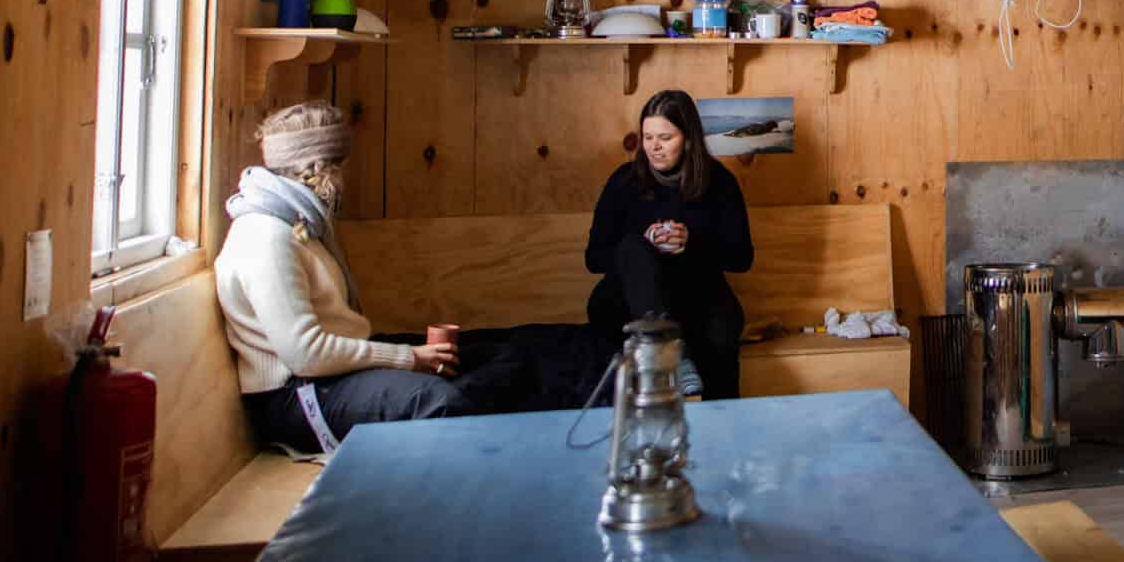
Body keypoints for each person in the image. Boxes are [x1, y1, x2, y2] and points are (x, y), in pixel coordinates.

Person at [216, 101, 602, 452]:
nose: (346, 176)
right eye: (341, 164)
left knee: (500, 357)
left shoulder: (300, 221)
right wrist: (410, 358)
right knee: (442, 402)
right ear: (322, 169)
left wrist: (417, 358)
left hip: (336, 370)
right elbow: (306, 354)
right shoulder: (266, 236)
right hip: (298, 395)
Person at [586, 90, 753, 398]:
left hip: (693, 294)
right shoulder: (624, 181)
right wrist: (643, 246)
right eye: (648, 137)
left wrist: (691, 242)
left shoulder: (719, 182)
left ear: (688, 139)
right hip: (628, 304)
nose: (654, 147)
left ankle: (723, 419)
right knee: (634, 246)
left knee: (722, 328)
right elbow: (593, 258)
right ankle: (670, 354)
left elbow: (742, 258)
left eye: (665, 137)